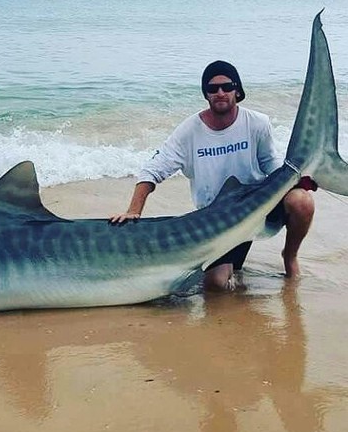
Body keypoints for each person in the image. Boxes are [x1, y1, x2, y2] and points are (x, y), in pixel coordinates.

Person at [109, 60, 316, 290]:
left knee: (302, 201)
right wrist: (133, 211)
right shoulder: (189, 131)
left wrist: (298, 180)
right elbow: (152, 170)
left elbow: (272, 165)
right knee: (216, 285)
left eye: (227, 87)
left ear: (237, 91)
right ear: (205, 94)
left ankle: (290, 256)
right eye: (213, 88)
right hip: (217, 221)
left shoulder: (257, 123)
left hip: (257, 209)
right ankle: (231, 266)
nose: (220, 93)